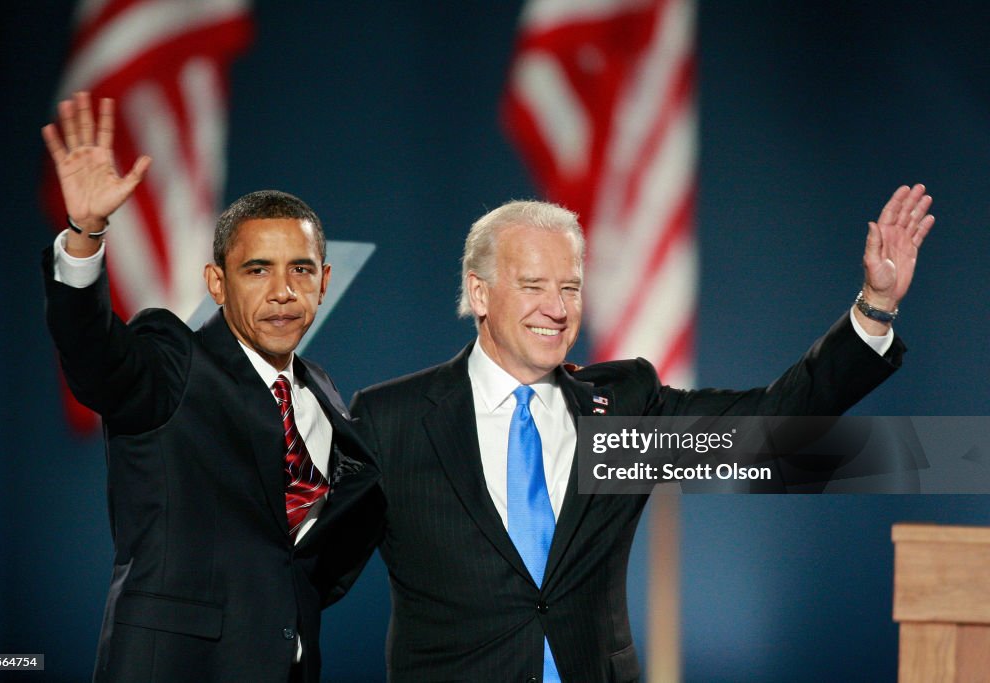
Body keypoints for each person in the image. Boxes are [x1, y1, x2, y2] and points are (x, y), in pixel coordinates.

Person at [350, 188, 933, 682]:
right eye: (533, 285)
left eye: (571, 287)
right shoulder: (393, 418)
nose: (556, 308)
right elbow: (311, 566)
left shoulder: (620, 408)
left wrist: (875, 307)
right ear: (479, 293)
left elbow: (769, 429)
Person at [41, 92, 385, 683]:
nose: (283, 290)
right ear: (217, 283)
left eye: (300, 269)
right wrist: (84, 235)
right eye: (258, 270)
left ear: (324, 282)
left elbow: (314, 543)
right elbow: (96, 357)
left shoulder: (319, 392)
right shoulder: (174, 362)